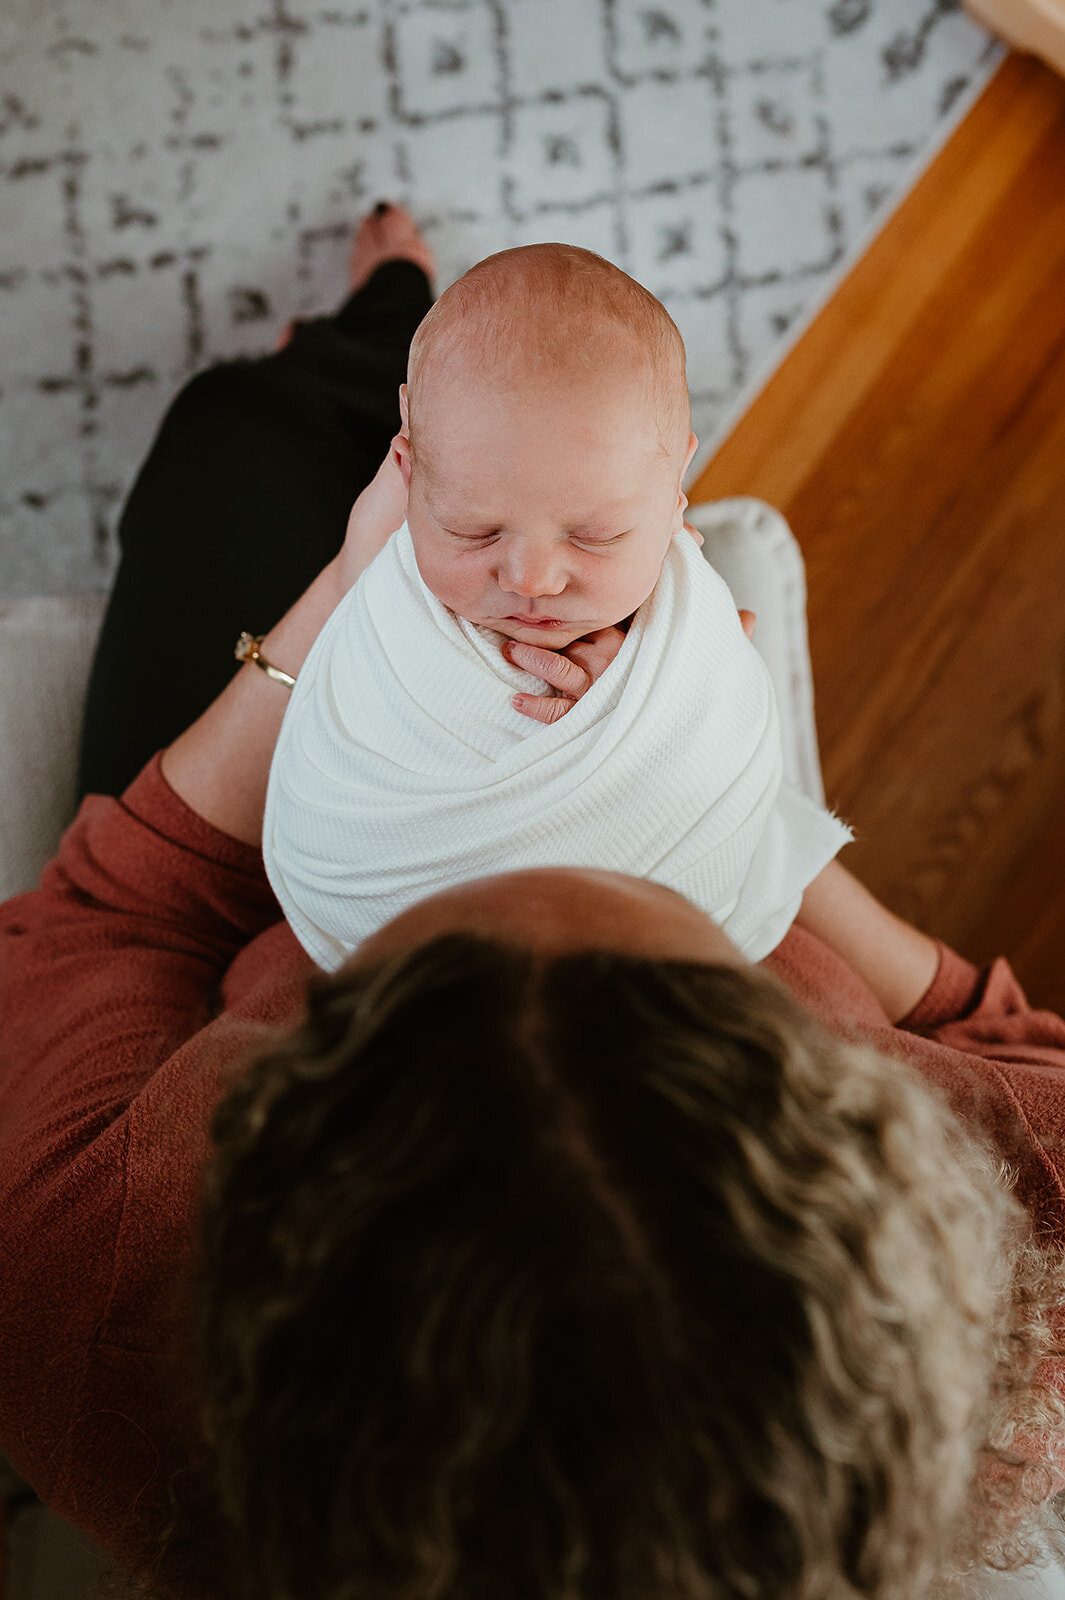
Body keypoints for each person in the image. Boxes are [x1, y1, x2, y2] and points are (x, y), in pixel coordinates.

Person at [4, 203, 1065, 1600]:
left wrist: (352, 580)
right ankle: (393, 325)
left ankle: (366, 313)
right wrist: (697, 770)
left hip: (265, 846)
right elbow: (998, 1037)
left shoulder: (87, 1299)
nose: (534, 860)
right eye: (685, 970)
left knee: (239, 435)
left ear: (283, 1131)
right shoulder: (1019, 1293)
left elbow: (104, 917)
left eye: (393, 973)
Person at [263, 241, 853, 971]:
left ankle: (356, 323)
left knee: (257, 420)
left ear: (675, 493)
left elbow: (718, 759)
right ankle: (366, 319)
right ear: (406, 473)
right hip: (384, 893)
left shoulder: (677, 594)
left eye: (595, 535)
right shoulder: (388, 572)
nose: (533, 579)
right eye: (473, 530)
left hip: (453, 961)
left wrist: (658, 699)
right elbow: (350, 684)